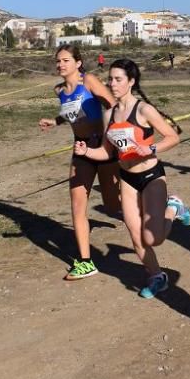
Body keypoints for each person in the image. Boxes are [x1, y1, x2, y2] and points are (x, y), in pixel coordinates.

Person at [73, 59, 190, 298]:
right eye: (110, 79)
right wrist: (86, 152)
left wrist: (153, 149)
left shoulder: (144, 110)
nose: (112, 84)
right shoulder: (109, 115)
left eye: (118, 79)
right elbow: (107, 152)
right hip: (126, 177)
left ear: (131, 82)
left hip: (150, 176)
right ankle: (157, 276)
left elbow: (172, 136)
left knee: (153, 237)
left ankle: (174, 208)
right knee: (135, 234)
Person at [38, 45, 120, 280]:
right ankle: (85, 262)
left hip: (103, 147)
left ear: (78, 63)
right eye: (58, 61)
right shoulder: (59, 90)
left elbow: (113, 106)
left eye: (65, 60)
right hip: (80, 149)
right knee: (76, 203)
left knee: (114, 205)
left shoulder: (89, 81)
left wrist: (113, 139)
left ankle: (167, 204)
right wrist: (55, 121)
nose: (60, 65)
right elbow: (71, 113)